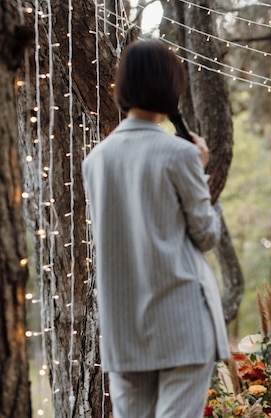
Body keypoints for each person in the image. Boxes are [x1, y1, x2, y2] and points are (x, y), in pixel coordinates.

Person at [82, 39, 230, 418]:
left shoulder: (96, 160)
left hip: (123, 328)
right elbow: (207, 235)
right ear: (170, 87)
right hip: (182, 323)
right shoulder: (180, 154)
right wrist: (199, 167)